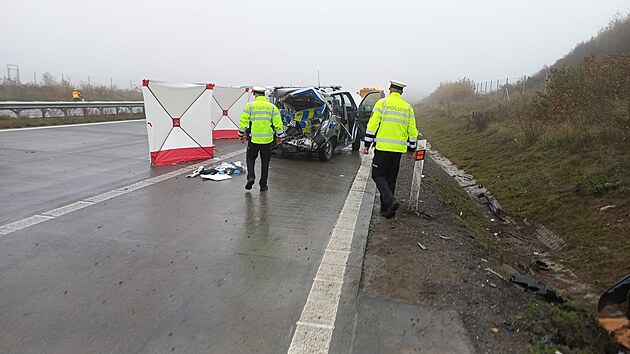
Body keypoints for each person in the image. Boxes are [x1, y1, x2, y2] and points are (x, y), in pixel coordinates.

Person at [363, 80, 419, 218]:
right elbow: (412, 130)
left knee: (377, 175)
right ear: (401, 92)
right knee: (390, 178)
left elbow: (373, 124)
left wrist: (367, 143)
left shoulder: (382, 103)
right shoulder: (408, 107)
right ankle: (387, 210)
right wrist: (412, 148)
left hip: (382, 147)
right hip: (398, 149)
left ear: (390, 90)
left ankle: (391, 200)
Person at [238, 86, 285, 191]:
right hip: (267, 140)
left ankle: (251, 177)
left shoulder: (249, 106)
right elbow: (278, 123)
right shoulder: (272, 107)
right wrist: (279, 136)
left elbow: (243, 122)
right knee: (265, 162)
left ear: (255, 94)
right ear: (264, 94)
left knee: (250, 159)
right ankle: (263, 185)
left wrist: (241, 134)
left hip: (253, 139)